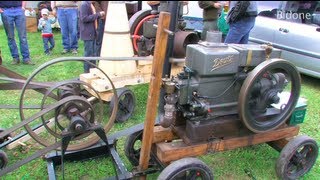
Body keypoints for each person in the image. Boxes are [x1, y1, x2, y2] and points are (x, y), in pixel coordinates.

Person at [79, 1, 105, 73]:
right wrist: (98, 14)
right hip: (87, 33)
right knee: (89, 54)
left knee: (93, 54)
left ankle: (93, 70)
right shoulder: (84, 4)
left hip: (92, 32)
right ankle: (87, 71)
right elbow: (84, 18)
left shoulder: (90, 4)